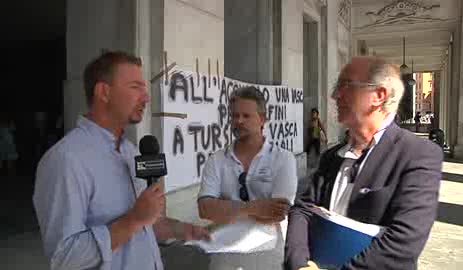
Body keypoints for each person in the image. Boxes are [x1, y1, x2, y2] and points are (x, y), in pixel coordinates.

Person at [33, 51, 209, 270]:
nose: (146, 97)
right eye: (135, 87)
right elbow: (65, 258)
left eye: (144, 88)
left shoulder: (131, 151)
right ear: (103, 92)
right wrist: (133, 219)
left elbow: (144, 225)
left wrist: (182, 230)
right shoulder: (66, 160)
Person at [284, 57, 443, 270]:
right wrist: (298, 264)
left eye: (345, 85)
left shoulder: (418, 154)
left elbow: (404, 242)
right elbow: (302, 209)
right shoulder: (332, 156)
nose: (335, 95)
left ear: (379, 95)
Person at [197, 86, 298, 270]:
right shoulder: (216, 160)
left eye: (246, 116)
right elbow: (205, 210)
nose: (239, 121)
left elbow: (277, 213)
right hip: (224, 259)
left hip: (268, 259)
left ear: (262, 119)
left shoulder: (283, 159)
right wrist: (256, 207)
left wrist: (226, 207)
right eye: (235, 116)